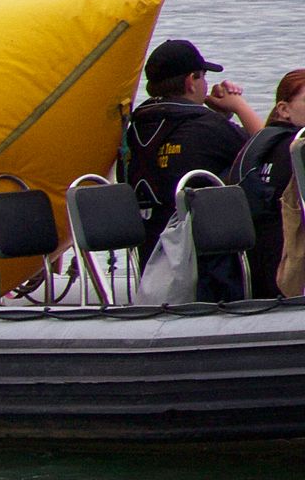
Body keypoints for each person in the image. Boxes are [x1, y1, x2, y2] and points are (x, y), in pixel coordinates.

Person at [123, 38, 264, 298]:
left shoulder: (135, 129)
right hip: (205, 270)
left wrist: (219, 118)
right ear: (191, 81)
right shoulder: (208, 127)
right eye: (203, 78)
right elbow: (270, 151)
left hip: (151, 259)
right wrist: (237, 106)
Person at [230, 69, 305, 297]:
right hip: (291, 276)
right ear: (283, 109)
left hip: (258, 274)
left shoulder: (259, 148)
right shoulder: (298, 151)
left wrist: (236, 108)